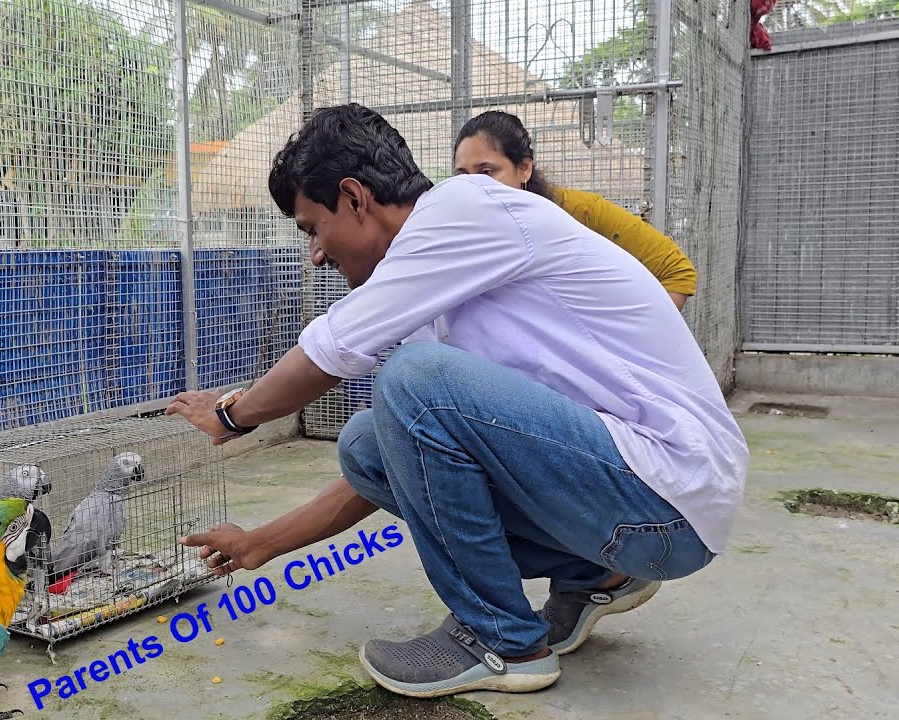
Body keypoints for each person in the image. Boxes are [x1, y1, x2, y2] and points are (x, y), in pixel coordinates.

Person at [165, 103, 748, 697]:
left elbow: (329, 353)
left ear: (355, 197)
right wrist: (260, 544)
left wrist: (232, 415)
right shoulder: (438, 287)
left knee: (411, 381)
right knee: (369, 442)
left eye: (313, 227)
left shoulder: (466, 208)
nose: (315, 253)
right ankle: (593, 573)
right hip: (634, 514)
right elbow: (397, 468)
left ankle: (500, 640)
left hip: (669, 497)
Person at [450, 110, 697, 311]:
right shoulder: (460, 231)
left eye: (487, 172)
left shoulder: (579, 212)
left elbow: (677, 273)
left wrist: (623, 343)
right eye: (462, 174)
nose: (474, 185)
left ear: (524, 168)